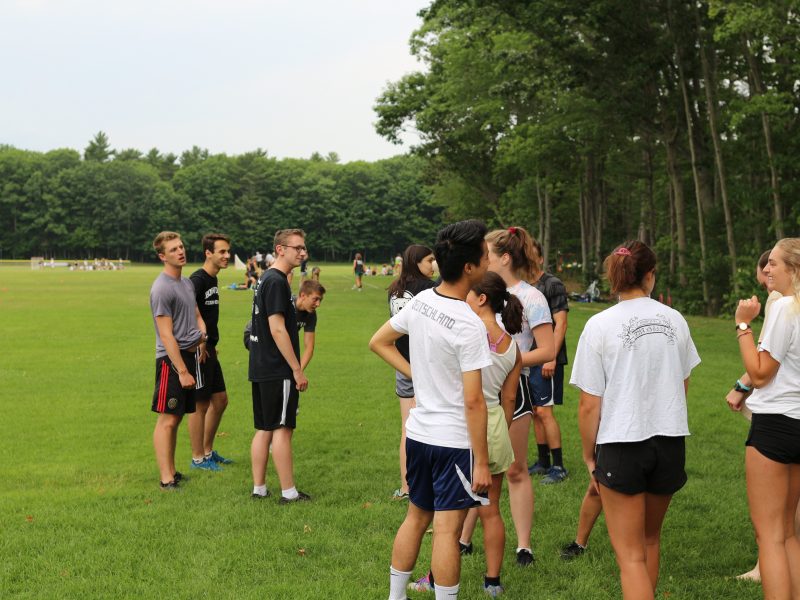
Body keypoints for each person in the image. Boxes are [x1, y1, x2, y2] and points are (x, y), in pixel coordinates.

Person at [369, 220, 492, 600]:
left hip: (418, 435)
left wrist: (417, 377)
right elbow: (474, 401)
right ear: (469, 267)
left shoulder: (421, 301)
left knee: (415, 517)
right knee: (445, 530)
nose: (489, 259)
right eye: (485, 255)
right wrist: (483, 463)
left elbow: (379, 341)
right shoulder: (470, 325)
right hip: (453, 441)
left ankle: (396, 596)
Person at [572, 240, 700, 600]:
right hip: (670, 442)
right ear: (650, 276)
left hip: (620, 443)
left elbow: (587, 405)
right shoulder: (675, 319)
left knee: (629, 557)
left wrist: (588, 456)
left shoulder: (599, 325)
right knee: (649, 540)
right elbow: (683, 382)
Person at [731, 238, 800, 600]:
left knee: (771, 535)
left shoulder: (785, 308)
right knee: (788, 531)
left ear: (794, 269)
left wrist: (743, 327)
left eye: (774, 263)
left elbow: (760, 374)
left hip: (775, 425)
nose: (767, 269)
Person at [484, 226, 554, 567]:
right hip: (478, 391)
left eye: (487, 254)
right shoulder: (477, 292)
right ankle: (465, 539)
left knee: (514, 469)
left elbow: (548, 350)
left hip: (516, 391)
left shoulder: (532, 297)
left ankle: (523, 546)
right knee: (477, 466)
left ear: (505, 258)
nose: (482, 260)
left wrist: (508, 362)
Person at [457, 272, 523, 596]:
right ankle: (493, 582)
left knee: (449, 511)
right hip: (495, 425)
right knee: (491, 509)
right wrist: (500, 429)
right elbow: (509, 399)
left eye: (469, 293)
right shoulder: (512, 346)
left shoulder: (467, 332)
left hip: (462, 425)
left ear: (481, 298)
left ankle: (436, 576)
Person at [725, 249, 784, 582]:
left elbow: (763, 362)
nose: (765, 280)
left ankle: (766, 568)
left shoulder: (780, 301)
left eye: (771, 268)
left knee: (772, 505)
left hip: (778, 412)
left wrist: (742, 322)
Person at [248, 228, 311, 503]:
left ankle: (259, 489)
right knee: (282, 429)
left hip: (261, 366)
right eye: (296, 247)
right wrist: (296, 369)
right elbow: (277, 329)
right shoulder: (275, 281)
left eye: (303, 248)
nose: (302, 252)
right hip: (276, 368)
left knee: (264, 427)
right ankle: (289, 492)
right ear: (280, 249)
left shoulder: (267, 279)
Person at [149, 231, 208, 490]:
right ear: (162, 256)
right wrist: (182, 370)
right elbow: (165, 333)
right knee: (168, 419)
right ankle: (165, 478)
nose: (180, 252)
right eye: (173, 250)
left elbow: (196, 313)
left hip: (188, 355)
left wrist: (202, 337)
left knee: (177, 417)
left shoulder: (186, 283)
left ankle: (172, 471)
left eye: (181, 246)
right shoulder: (161, 288)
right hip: (170, 360)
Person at [386, 244, 437, 500]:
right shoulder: (429, 289)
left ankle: (406, 488)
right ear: (417, 262)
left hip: (401, 364)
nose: (433, 264)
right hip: (426, 367)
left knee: (407, 428)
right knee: (434, 427)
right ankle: (432, 483)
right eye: (429, 260)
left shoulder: (394, 289)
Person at [188, 233, 233, 472]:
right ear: (208, 253)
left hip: (211, 349)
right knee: (201, 404)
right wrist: (200, 341)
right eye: (222, 252)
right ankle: (198, 459)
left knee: (220, 400)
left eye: (228, 251)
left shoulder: (212, 280)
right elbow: (184, 313)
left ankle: (207, 451)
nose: (227, 256)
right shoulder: (198, 280)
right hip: (199, 350)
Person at [528, 238, 570, 484]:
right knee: (534, 412)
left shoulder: (552, 284)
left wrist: (551, 357)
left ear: (541, 258)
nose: (530, 259)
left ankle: (559, 466)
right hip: (529, 358)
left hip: (548, 358)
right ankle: (542, 462)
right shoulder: (523, 286)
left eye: (534, 255)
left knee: (545, 411)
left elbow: (561, 323)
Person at [295, 280, 326, 370]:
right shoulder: (286, 306)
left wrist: (298, 372)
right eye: (315, 299)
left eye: (320, 300)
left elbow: (309, 348)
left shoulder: (311, 314)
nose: (318, 304)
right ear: (303, 295)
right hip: (257, 338)